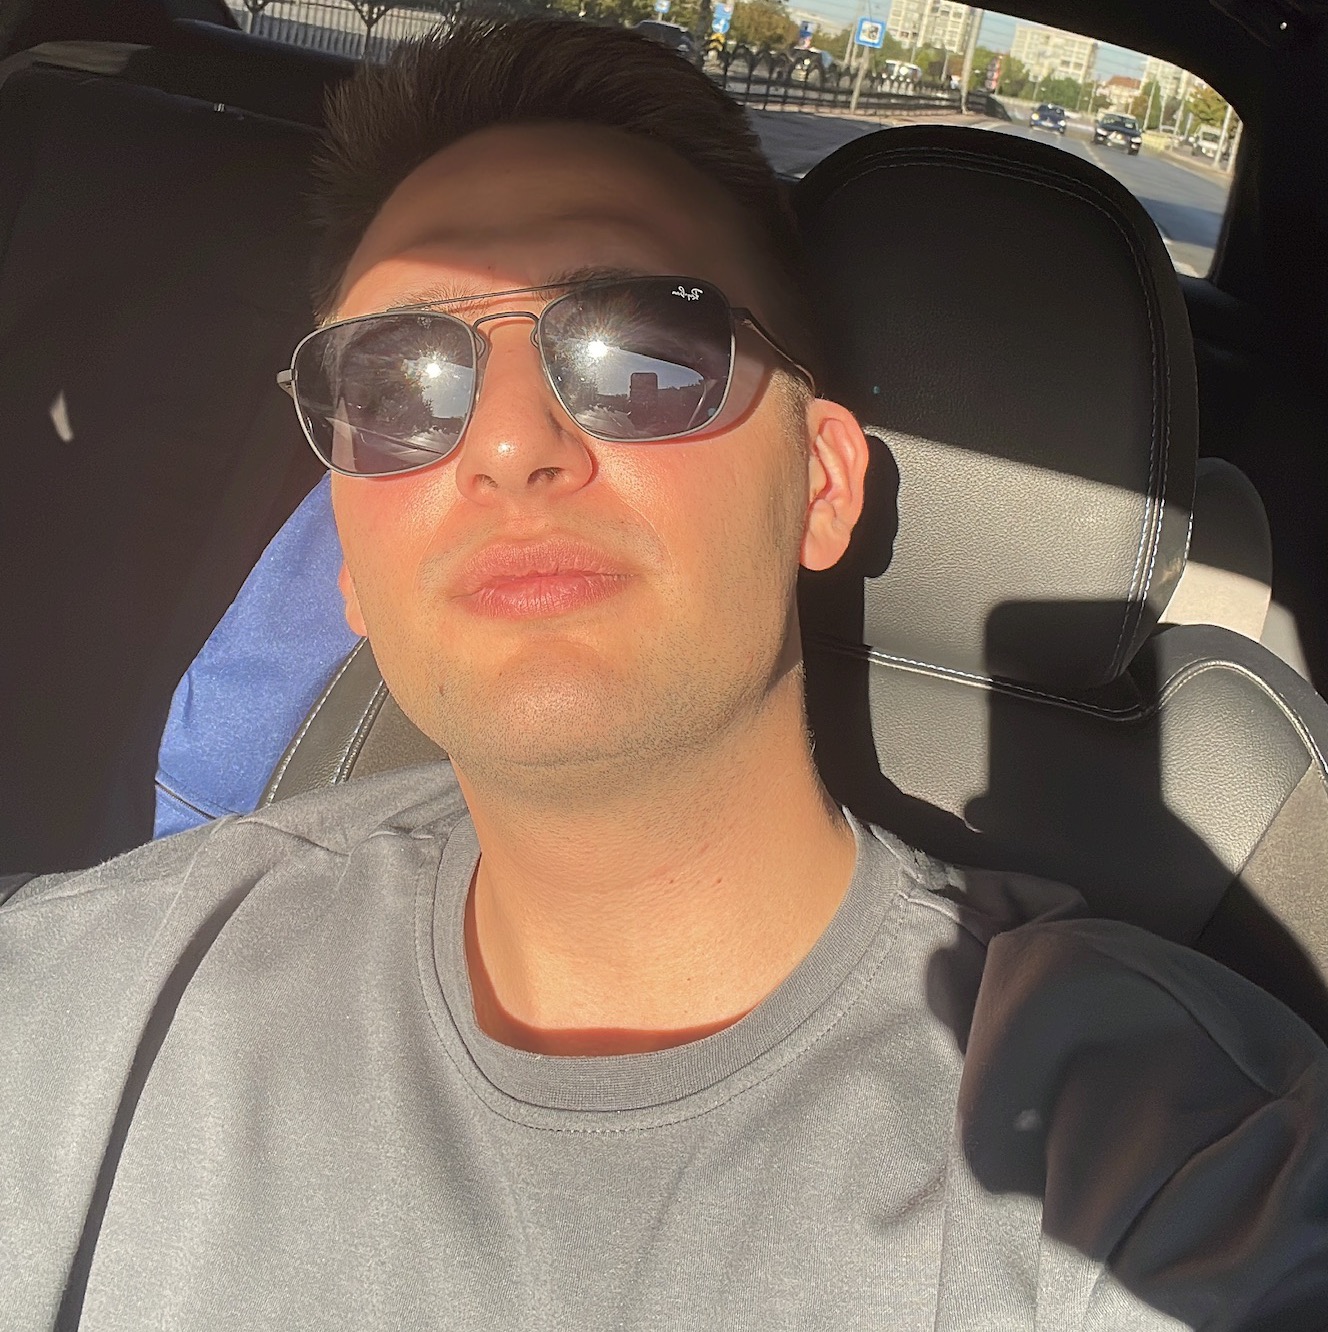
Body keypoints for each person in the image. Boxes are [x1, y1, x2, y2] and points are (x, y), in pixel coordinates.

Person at [3, 18, 1328, 1331]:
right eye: (399, 385)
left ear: (821, 483)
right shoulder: (95, 997)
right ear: (349, 557)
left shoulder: (1152, 1163)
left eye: (640, 350)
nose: (507, 445)